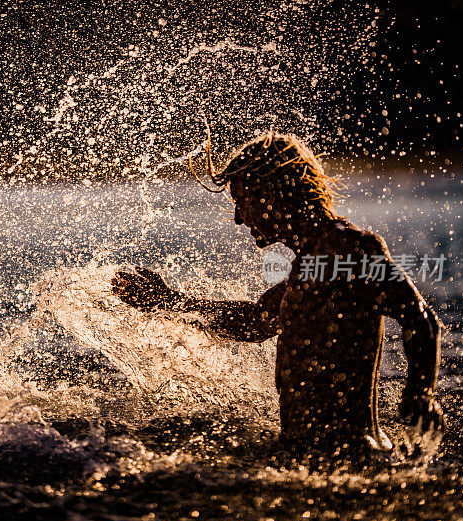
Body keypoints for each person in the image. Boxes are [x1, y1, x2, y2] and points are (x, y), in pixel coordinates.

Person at [112, 133, 444, 454]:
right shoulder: (312, 265)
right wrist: (169, 304)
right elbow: (255, 322)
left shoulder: (349, 248)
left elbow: (420, 317)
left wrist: (421, 394)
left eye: (243, 202)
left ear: (271, 193)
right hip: (310, 455)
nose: (239, 218)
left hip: (349, 456)